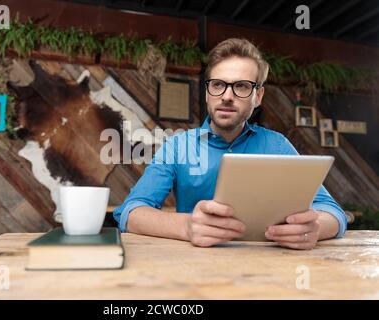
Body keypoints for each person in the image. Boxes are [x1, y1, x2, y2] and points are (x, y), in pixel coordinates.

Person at [113, 38, 347, 249]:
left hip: (270, 274)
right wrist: (186, 226)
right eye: (217, 84)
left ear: (258, 97)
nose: (226, 95)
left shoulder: (278, 146)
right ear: (207, 93)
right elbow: (130, 212)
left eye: (242, 86)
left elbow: (334, 213)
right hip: (191, 270)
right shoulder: (177, 146)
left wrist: (314, 228)